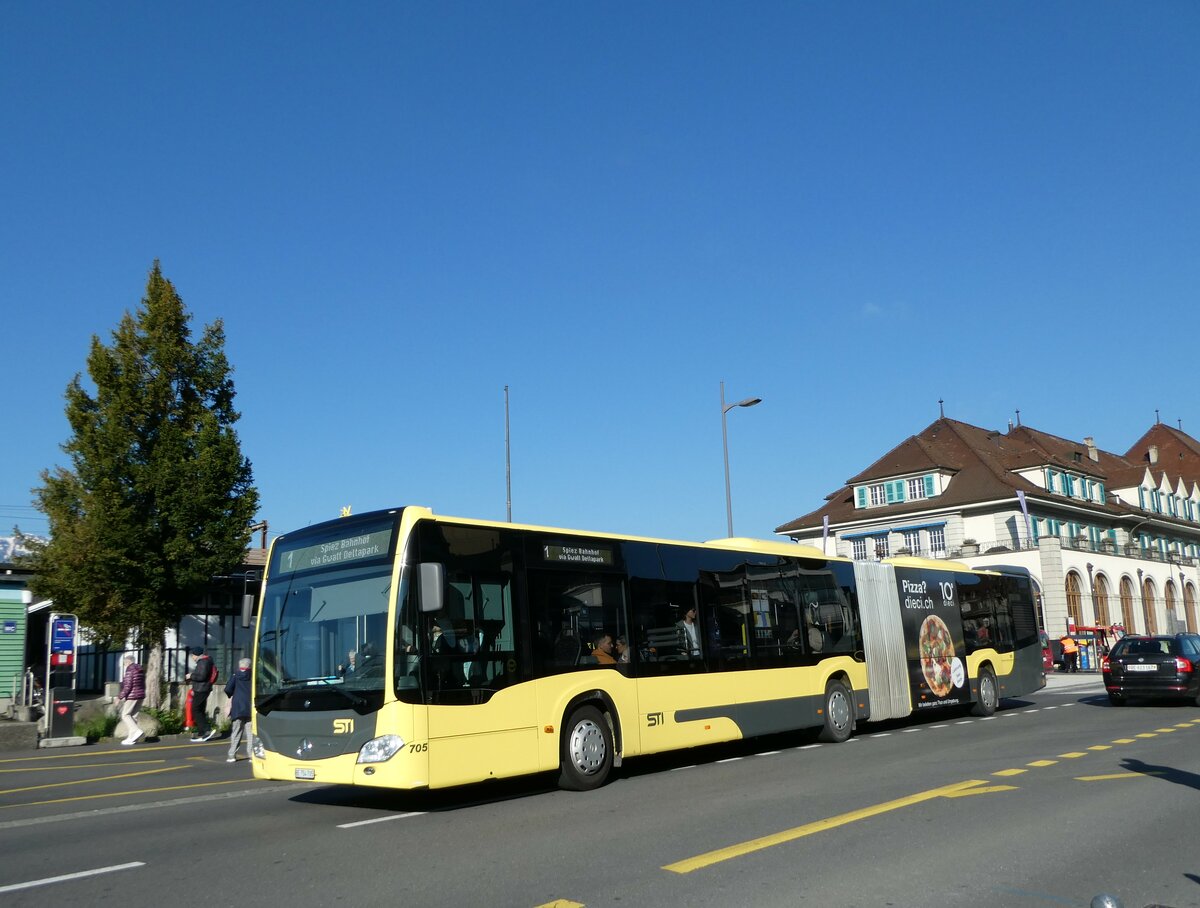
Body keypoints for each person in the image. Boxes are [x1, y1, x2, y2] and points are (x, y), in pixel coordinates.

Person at [224, 657, 253, 763]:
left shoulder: (235, 675)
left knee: (236, 732)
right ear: (249, 666)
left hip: (237, 707)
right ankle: (251, 755)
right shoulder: (253, 675)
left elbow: (227, 689)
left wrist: (232, 695)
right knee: (251, 733)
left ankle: (232, 755)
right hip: (250, 706)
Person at [189, 646, 218, 742]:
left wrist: (191, 676)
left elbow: (201, 676)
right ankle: (201, 733)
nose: (192, 657)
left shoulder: (203, 662)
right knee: (200, 709)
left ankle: (206, 729)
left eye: (192, 655)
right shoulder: (206, 661)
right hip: (203, 688)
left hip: (201, 689)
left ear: (196, 655)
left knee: (195, 709)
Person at [116, 654, 146, 745]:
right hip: (140, 695)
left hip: (132, 695)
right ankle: (131, 738)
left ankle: (136, 731)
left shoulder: (130, 669)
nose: (125, 665)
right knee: (133, 717)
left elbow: (128, 685)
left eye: (125, 663)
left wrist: (119, 697)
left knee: (125, 715)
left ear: (128, 661)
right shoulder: (140, 669)